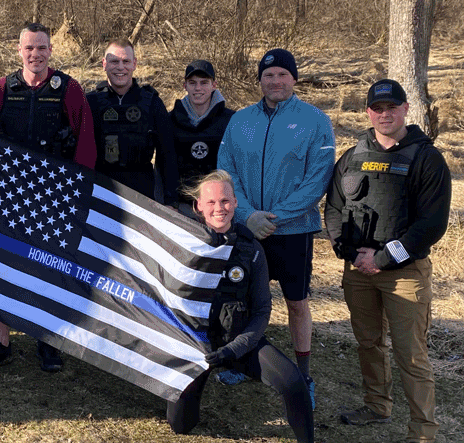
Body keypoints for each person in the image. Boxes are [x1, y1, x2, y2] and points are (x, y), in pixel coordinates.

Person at [325, 79, 451, 443]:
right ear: (368, 112)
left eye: (392, 107)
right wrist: (350, 254)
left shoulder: (427, 158)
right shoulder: (351, 155)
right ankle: (378, 405)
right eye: (377, 108)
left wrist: (381, 258)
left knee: (411, 354)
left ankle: (423, 431)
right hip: (358, 270)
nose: (385, 114)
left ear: (405, 108)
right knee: (369, 342)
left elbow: (431, 225)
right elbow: (333, 209)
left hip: (404, 274)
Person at [216, 48, 335, 405]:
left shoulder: (315, 121)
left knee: (296, 304)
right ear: (260, 81)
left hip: (293, 232)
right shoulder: (240, 120)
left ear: (294, 79)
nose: (276, 81)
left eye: (283, 75)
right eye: (268, 76)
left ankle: (303, 374)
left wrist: (277, 217)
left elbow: (318, 179)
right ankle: (242, 360)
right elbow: (226, 169)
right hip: (249, 229)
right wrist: (247, 214)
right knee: (245, 301)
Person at [0, 22, 96, 374]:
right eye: (29, 48)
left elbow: (86, 144)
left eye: (42, 47)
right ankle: (2, 341)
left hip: (55, 197)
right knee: (3, 266)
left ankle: (48, 340)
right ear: (19, 50)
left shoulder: (69, 90)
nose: (36, 54)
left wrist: (75, 192)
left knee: (49, 269)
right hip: (11, 197)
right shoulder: (2, 90)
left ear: (50, 50)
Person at [166, 170, 313, 443]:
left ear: (234, 203)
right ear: (198, 206)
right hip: (197, 346)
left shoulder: (251, 248)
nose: (218, 208)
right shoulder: (185, 243)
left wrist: (235, 349)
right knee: (180, 425)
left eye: (224, 201)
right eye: (210, 203)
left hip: (239, 340)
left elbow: (261, 311)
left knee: (293, 384)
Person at [85, 39, 177, 206]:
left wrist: (171, 201)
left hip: (142, 192)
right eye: (114, 61)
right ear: (104, 64)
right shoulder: (90, 103)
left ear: (134, 64)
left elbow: (167, 154)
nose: (120, 67)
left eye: (126, 61)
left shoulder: (152, 103)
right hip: (101, 190)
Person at [169, 60, 235, 215]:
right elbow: (163, 165)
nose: (198, 88)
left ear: (214, 85)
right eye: (192, 83)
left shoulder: (231, 120)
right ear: (185, 86)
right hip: (182, 207)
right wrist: (169, 202)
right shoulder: (170, 120)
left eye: (204, 82)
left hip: (220, 207)